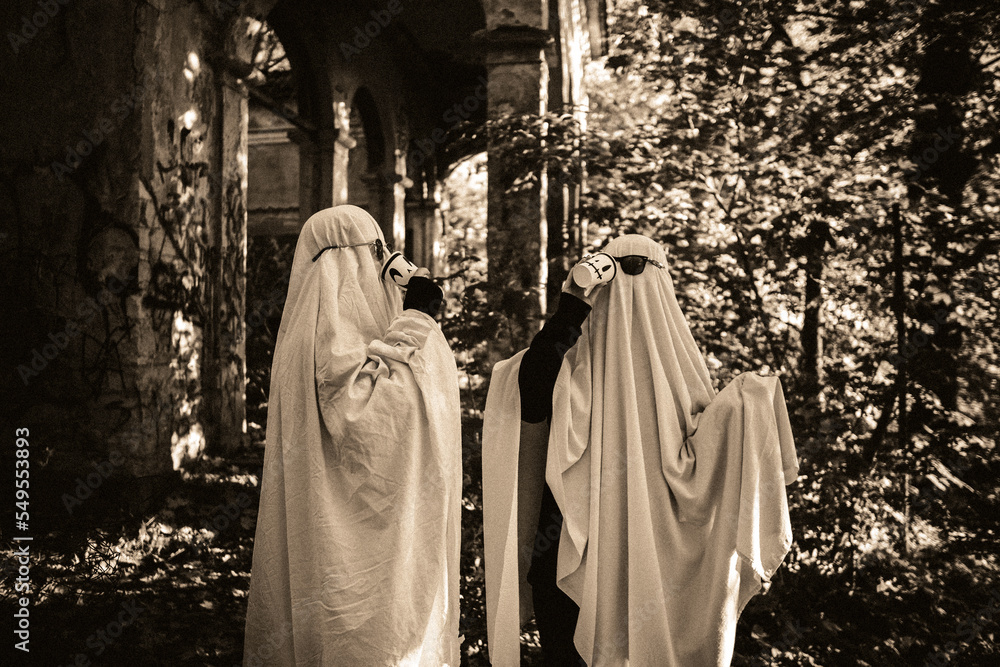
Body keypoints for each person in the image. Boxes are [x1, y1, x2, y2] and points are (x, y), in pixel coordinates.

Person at [482, 234, 799, 666]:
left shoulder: (595, 370)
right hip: (565, 575)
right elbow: (533, 385)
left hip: (581, 573)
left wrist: (748, 407)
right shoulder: (575, 367)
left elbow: (697, 477)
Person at [243, 205, 462, 666]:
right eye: (373, 253)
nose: (383, 270)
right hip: (360, 549)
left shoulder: (321, 329)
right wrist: (419, 317)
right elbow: (368, 417)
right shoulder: (329, 326)